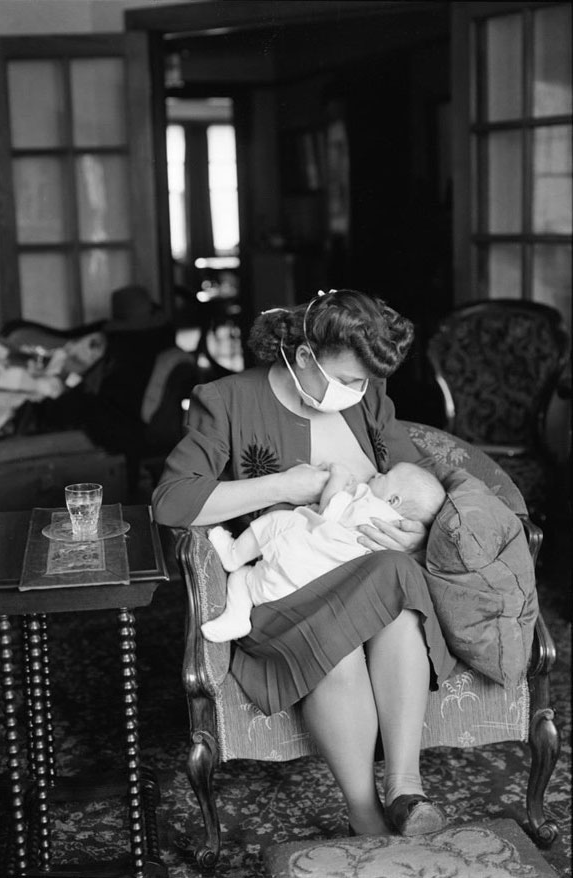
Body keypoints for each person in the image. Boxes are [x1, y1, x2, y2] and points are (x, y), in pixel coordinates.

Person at [153, 288, 456, 838]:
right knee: (341, 644)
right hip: (280, 588)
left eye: (364, 382)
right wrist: (284, 485)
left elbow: (416, 479)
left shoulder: (367, 398)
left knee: (400, 578)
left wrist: (416, 529)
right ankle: (365, 814)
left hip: (367, 573)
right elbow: (171, 502)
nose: (357, 392)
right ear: (302, 353)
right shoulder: (225, 400)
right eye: (346, 378)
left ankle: (406, 791)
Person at [202, 461, 446, 643]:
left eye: (385, 475)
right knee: (248, 581)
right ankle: (238, 616)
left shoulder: (369, 503)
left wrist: (337, 480)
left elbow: (329, 511)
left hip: (292, 563)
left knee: (277, 523)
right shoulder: (397, 536)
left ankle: (234, 556)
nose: (378, 473)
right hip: (313, 593)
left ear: (393, 501)